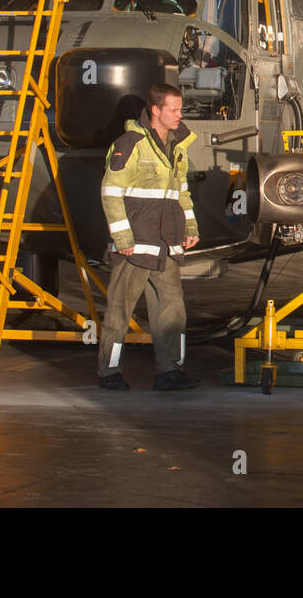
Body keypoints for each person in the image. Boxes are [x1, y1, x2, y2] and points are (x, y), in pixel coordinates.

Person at [97, 83, 201, 391]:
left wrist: (190, 228)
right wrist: (123, 238)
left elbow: (181, 193)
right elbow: (110, 192)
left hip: (167, 243)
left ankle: (170, 371)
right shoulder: (130, 144)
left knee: (172, 309)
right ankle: (109, 372)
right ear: (155, 111)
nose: (180, 115)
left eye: (180, 109)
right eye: (174, 109)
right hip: (136, 245)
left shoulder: (177, 146)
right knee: (119, 309)